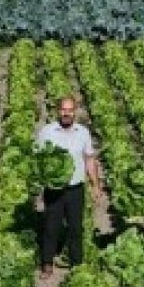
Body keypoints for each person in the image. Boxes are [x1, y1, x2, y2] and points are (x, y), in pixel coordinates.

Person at [36, 96, 102, 276]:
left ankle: (76, 263)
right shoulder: (47, 132)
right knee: (51, 226)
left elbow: (89, 159)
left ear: (75, 111)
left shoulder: (83, 132)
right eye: (63, 110)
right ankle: (47, 262)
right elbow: (39, 160)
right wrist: (43, 179)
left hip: (75, 188)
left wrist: (95, 184)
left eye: (70, 110)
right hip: (54, 189)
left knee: (75, 227)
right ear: (58, 111)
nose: (66, 113)